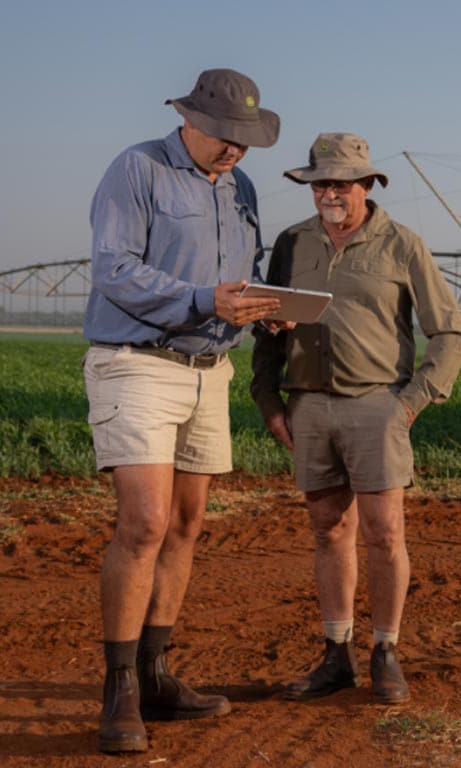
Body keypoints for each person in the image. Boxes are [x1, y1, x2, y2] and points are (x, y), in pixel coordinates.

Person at [82, 68, 282, 753]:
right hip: (137, 363)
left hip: (209, 369)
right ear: (189, 120)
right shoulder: (136, 168)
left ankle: (156, 673)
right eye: (224, 136)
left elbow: (234, 282)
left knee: (187, 524)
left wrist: (261, 315)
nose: (234, 150)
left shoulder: (242, 188)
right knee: (143, 522)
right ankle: (120, 691)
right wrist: (204, 301)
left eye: (245, 141)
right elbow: (113, 268)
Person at [250, 132, 461, 706]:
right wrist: (269, 400)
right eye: (319, 183)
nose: (328, 194)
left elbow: (449, 331)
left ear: (366, 186)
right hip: (308, 404)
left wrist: (412, 401)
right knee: (328, 531)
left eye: (340, 184)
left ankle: (386, 653)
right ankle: (335, 655)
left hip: (378, 404)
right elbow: (265, 324)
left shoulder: (401, 245)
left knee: (385, 534)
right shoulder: (291, 244)